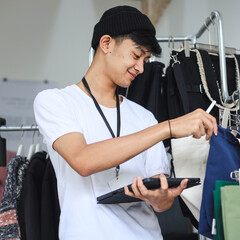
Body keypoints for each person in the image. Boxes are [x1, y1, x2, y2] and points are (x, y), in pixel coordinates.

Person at [33, 5, 217, 240]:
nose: (141, 67)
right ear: (106, 43)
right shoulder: (55, 102)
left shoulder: (144, 117)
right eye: (136, 55)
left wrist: (161, 198)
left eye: (146, 59)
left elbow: (161, 204)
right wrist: (167, 128)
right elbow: (83, 160)